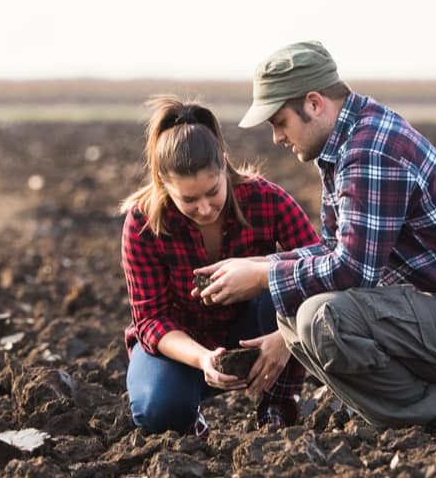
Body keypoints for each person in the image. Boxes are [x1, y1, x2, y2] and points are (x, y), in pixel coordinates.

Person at [199, 41, 436, 434]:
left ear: (314, 104)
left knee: (320, 317)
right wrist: (259, 265)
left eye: (280, 122)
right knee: (296, 308)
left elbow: (352, 271)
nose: (277, 137)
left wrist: (263, 277)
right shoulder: (346, 141)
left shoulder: (370, 150)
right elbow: (337, 249)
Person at [122, 96, 319, 434]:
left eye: (212, 192)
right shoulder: (142, 223)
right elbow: (151, 319)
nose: (205, 208)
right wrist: (202, 359)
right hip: (183, 342)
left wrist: (286, 339)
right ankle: (188, 419)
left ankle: (276, 406)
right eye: (188, 200)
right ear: (163, 184)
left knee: (284, 281)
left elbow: (321, 266)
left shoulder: (266, 200)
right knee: (157, 410)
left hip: (255, 328)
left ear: (224, 166)